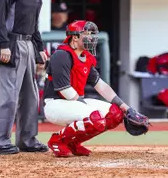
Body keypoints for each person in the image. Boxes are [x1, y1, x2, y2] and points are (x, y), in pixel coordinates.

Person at [44, 20, 150, 157]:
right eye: (87, 34)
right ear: (75, 37)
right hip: (55, 104)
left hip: (75, 101)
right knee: (96, 118)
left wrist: (126, 107)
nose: (92, 38)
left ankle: (73, 143)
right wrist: (88, 110)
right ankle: (57, 140)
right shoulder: (62, 55)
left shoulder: (85, 57)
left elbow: (101, 85)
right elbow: (64, 89)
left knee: (115, 114)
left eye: (92, 35)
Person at [0, 0, 53, 155]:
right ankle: (0, 142)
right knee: (9, 95)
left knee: (31, 96)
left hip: (27, 44)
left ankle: (27, 139)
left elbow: (34, 25)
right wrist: (3, 43)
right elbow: (0, 13)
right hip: (12, 42)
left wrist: (40, 48)